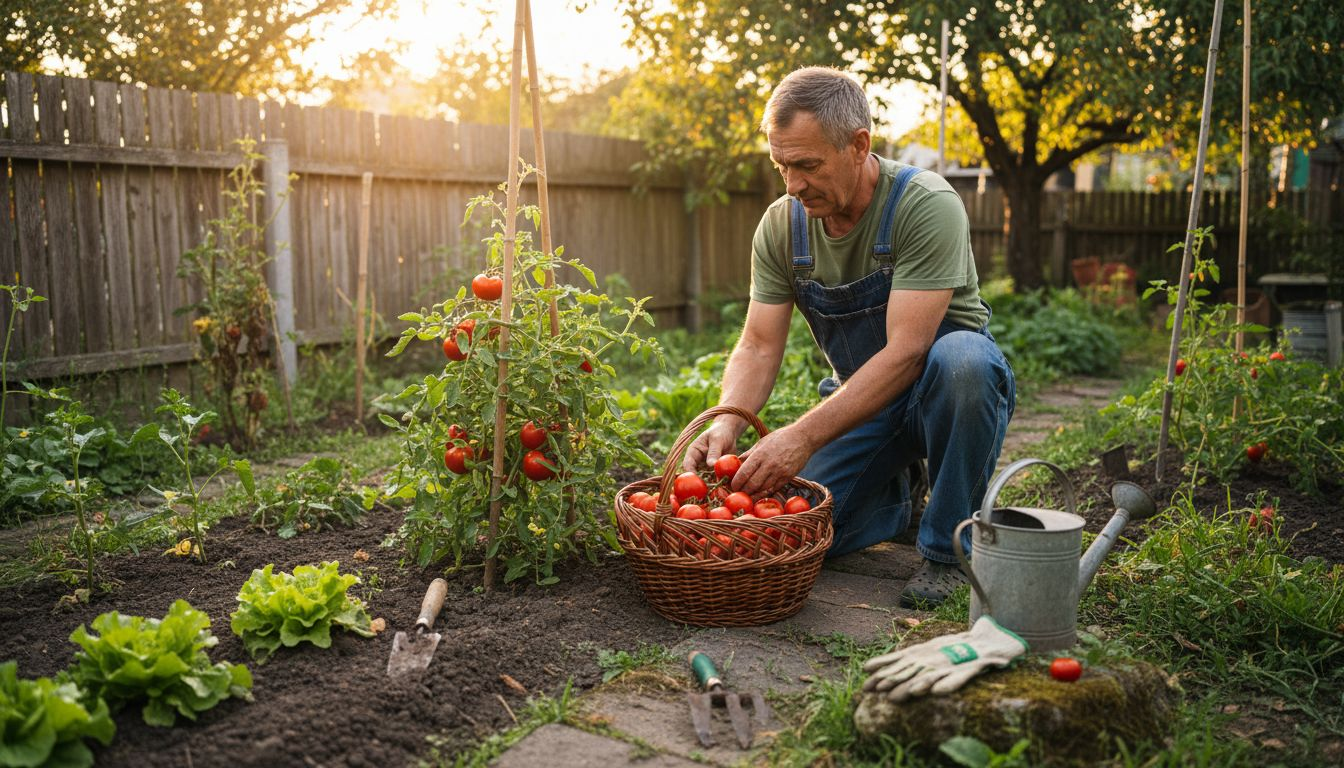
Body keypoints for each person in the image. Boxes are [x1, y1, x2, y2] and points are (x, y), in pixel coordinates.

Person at [682, 66, 1015, 607]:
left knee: (964, 363)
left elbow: (909, 354)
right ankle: (897, 498)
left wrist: (801, 436)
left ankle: (947, 548)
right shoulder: (782, 226)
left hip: (945, 395)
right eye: (781, 166)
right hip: (862, 405)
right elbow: (759, 344)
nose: (792, 185)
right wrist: (727, 419)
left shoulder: (924, 204)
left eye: (807, 165)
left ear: (858, 145)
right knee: (804, 533)